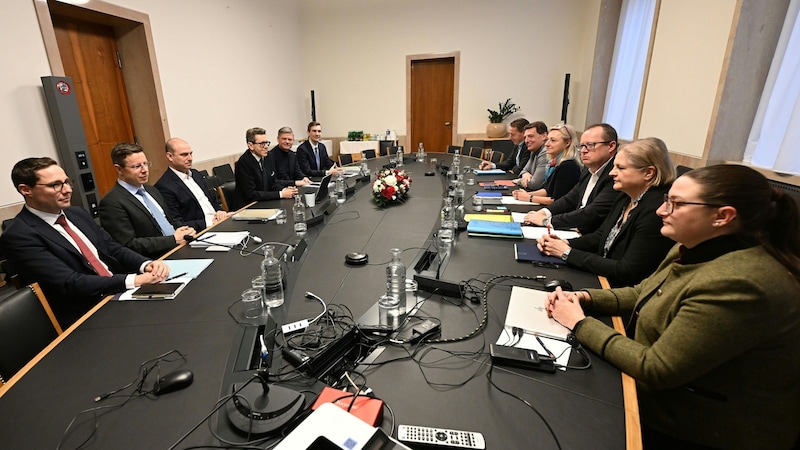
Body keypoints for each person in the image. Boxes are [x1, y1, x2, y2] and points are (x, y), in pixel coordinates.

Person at [546, 164, 800, 449]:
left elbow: (658, 368)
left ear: (723, 216)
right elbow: (644, 291)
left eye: (675, 204)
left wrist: (579, 323)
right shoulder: (694, 245)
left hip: (701, 428)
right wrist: (585, 298)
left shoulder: (742, 282)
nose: (660, 211)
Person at [0, 157, 170, 326]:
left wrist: (146, 264)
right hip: (85, 314)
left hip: (120, 294)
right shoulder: (19, 235)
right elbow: (69, 282)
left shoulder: (77, 214)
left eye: (67, 182)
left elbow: (111, 248)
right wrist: (134, 280)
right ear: (25, 190)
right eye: (55, 185)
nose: (67, 190)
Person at [538, 138, 676, 287]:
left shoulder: (656, 212)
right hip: (601, 275)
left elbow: (628, 271)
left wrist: (567, 253)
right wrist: (564, 243)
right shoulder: (625, 196)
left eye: (621, 168)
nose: (611, 173)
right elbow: (601, 236)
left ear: (648, 173)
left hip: (619, 291)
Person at [99, 142, 196, 258]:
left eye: (145, 164)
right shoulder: (111, 203)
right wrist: (173, 240)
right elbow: (128, 244)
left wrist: (184, 230)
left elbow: (170, 220)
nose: (144, 170)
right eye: (137, 166)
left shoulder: (152, 190)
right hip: (156, 260)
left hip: (181, 247)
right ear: (119, 169)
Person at [523, 123, 621, 234]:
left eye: (590, 145)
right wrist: (545, 212)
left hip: (589, 235)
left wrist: (548, 221)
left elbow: (593, 212)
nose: (583, 151)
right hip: (576, 229)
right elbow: (571, 198)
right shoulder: (588, 169)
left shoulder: (615, 175)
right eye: (582, 146)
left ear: (611, 146)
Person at [155, 137, 231, 231]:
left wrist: (220, 211)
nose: (190, 158)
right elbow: (177, 223)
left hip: (220, 222)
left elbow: (211, 201)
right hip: (201, 232)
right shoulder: (164, 186)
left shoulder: (195, 174)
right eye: (184, 155)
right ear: (170, 156)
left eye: (191, 154)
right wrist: (209, 222)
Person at [512, 124, 581, 205]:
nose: (546, 144)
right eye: (548, 140)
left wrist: (529, 198)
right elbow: (548, 190)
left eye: (553, 140)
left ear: (567, 143)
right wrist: (524, 194)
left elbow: (557, 200)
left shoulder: (568, 166)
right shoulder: (554, 162)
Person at [235, 127, 298, 204]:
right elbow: (251, 194)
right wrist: (281, 194)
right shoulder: (244, 163)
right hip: (248, 205)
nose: (266, 147)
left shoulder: (269, 156)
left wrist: (285, 189)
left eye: (266, 143)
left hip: (265, 201)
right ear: (251, 145)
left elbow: (273, 183)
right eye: (262, 144)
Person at [512, 121, 549, 191]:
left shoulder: (545, 152)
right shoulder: (534, 150)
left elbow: (535, 185)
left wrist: (518, 181)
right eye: (525, 137)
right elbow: (523, 170)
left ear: (544, 136)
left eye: (530, 136)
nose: (526, 140)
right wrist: (525, 174)